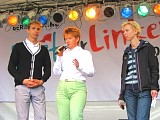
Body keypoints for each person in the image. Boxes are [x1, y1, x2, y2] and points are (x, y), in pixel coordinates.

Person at [8, 20, 51, 120]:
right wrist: (22, 80)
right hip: (22, 87)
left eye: (38, 29)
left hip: (38, 87)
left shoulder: (43, 49)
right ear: (28, 30)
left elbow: (48, 68)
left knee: (41, 117)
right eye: (33, 28)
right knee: (22, 117)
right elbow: (11, 67)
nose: (36, 31)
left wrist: (41, 81)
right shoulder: (18, 47)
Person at [118, 21, 159, 120]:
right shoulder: (126, 52)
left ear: (135, 31)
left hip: (144, 90)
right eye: (123, 31)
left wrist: (154, 87)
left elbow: (154, 68)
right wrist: (121, 95)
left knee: (142, 118)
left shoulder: (147, 47)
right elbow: (124, 75)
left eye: (127, 30)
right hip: (129, 92)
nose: (124, 33)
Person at [53, 26, 95, 120]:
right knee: (63, 117)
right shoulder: (63, 53)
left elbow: (91, 72)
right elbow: (56, 72)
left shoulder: (84, 53)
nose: (67, 41)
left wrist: (79, 67)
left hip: (77, 87)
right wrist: (59, 57)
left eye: (70, 38)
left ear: (77, 39)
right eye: (66, 38)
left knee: (76, 116)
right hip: (62, 87)